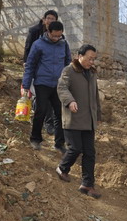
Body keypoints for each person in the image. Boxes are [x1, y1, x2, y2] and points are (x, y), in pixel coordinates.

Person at [56, 44, 103, 198]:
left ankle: (87, 184)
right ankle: (62, 168)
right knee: (75, 148)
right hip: (73, 118)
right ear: (79, 56)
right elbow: (62, 88)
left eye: (94, 59)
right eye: (89, 59)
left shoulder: (92, 73)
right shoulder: (69, 71)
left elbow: (95, 96)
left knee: (90, 152)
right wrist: (70, 101)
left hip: (89, 120)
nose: (92, 62)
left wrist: (98, 115)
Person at [21, 20, 71, 153]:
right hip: (42, 83)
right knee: (41, 111)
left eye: (59, 36)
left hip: (58, 85)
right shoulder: (38, 45)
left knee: (60, 113)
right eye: (54, 36)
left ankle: (59, 143)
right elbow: (30, 65)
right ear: (48, 32)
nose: (56, 38)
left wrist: (68, 82)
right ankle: (35, 139)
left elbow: (68, 64)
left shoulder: (64, 44)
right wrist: (26, 85)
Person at [23, 10, 59, 135]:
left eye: (53, 19)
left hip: (50, 71)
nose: (50, 21)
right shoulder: (34, 31)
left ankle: (48, 122)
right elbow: (28, 48)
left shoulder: (58, 35)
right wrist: (26, 63)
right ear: (44, 19)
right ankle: (43, 118)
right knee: (39, 95)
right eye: (48, 18)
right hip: (35, 68)